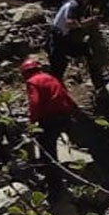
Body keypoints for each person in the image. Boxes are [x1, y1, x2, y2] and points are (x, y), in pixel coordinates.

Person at [23, 58, 78, 192]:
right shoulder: (50, 77)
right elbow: (64, 94)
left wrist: (32, 121)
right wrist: (74, 109)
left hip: (49, 119)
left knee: (47, 153)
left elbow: (35, 103)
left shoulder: (32, 82)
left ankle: (55, 187)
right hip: (64, 115)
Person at [49, 0, 106, 89]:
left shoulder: (76, 3)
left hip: (63, 39)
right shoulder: (74, 5)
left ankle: (98, 81)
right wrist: (86, 23)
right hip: (59, 40)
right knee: (57, 72)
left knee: (87, 52)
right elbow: (70, 23)